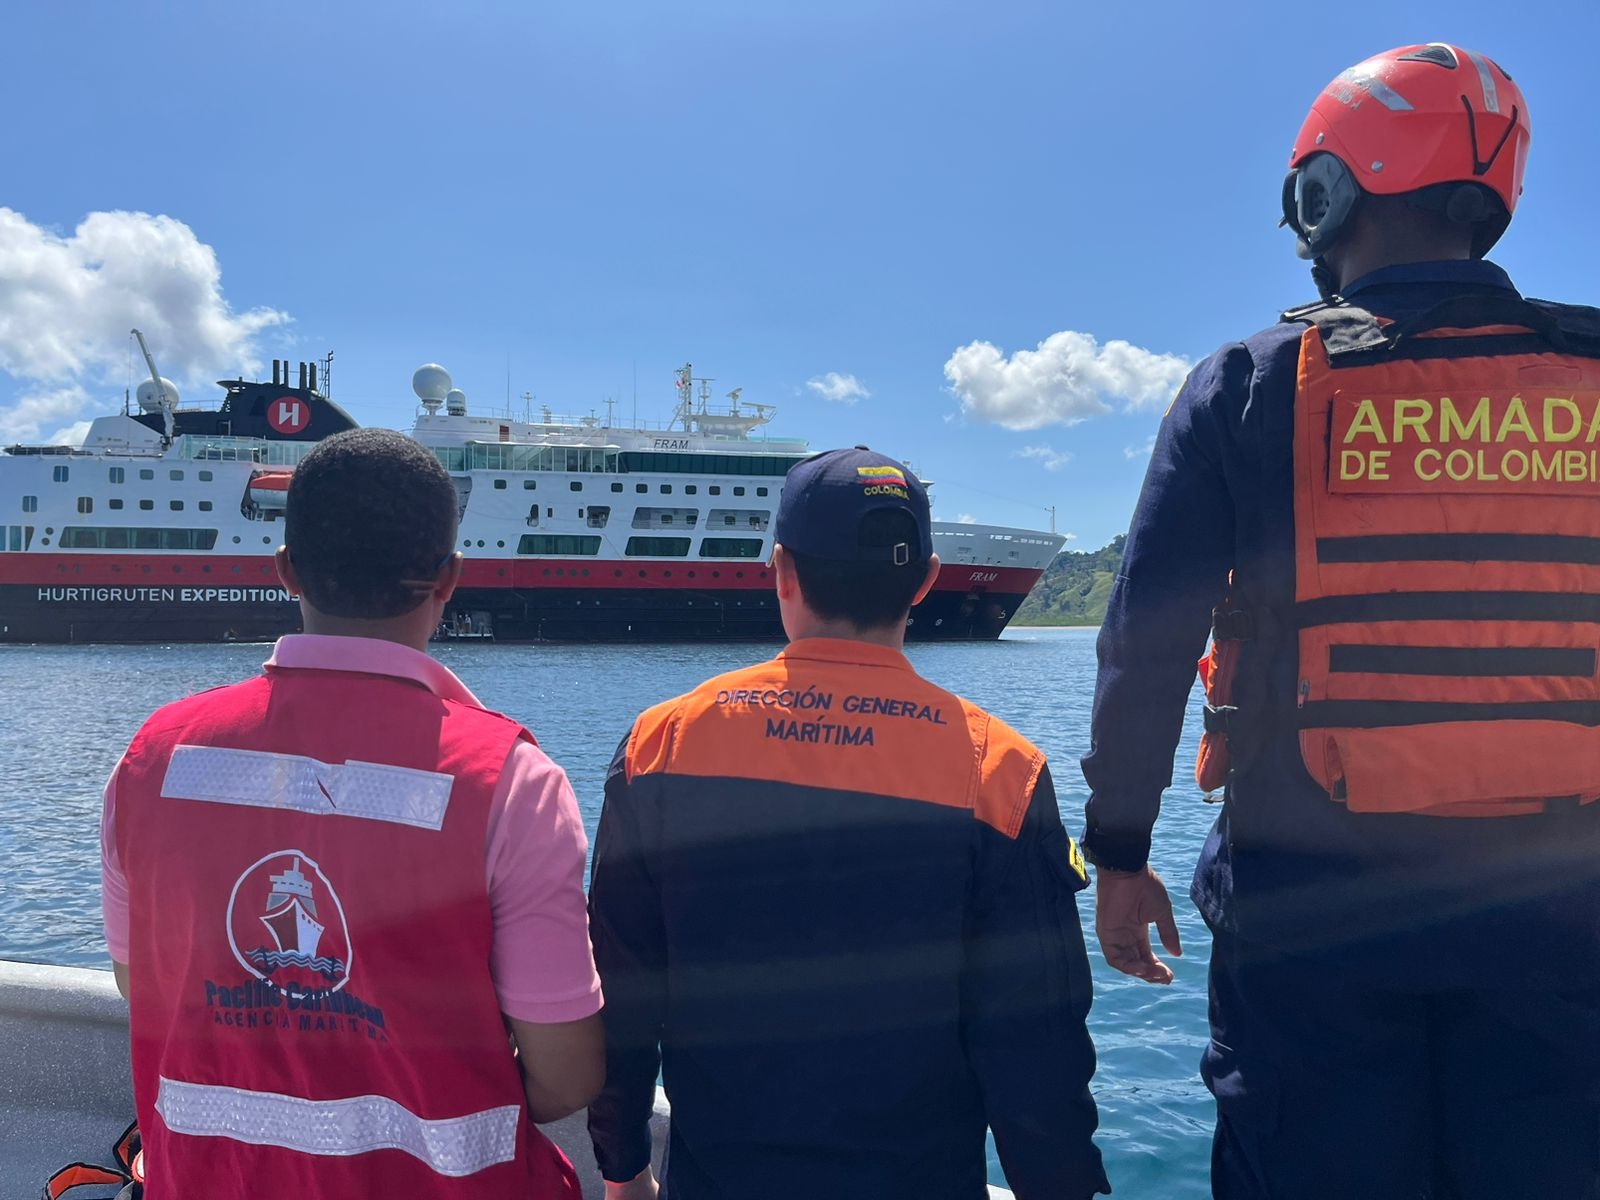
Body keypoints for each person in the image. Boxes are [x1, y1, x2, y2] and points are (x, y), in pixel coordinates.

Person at [1082, 43, 1600, 1199]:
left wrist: (1119, 852)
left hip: (1311, 918)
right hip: (1567, 916)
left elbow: (1147, 647)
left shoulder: (1250, 384)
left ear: (1324, 194)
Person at [586, 447, 1110, 1200]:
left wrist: (622, 1165)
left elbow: (622, 993)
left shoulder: (660, 745)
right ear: (927, 582)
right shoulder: (999, 771)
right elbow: (1037, 1044)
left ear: (780, 571)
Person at [100, 428, 605, 1198]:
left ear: (285, 571)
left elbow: (150, 995)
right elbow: (567, 1077)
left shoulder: (150, 762)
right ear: (449, 580)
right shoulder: (511, 784)